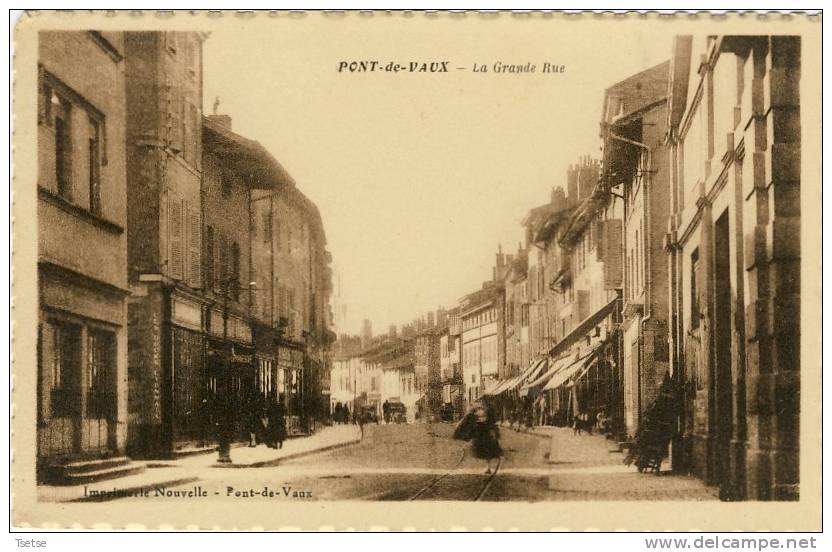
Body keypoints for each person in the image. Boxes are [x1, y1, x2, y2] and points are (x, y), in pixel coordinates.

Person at [470, 402, 502, 474]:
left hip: (487, 433)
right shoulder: (479, 412)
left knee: (488, 450)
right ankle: (488, 467)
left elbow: (491, 423)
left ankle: (488, 467)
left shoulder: (488, 412)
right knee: (485, 450)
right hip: (483, 433)